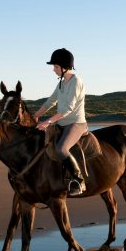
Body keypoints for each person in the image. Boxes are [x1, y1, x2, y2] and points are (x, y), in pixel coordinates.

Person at [34, 48, 87, 196]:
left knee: (61, 149)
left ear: (64, 67)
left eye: (56, 67)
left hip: (76, 123)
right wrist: (36, 116)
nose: (53, 70)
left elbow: (68, 109)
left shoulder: (76, 81)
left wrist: (48, 122)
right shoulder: (61, 83)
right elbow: (50, 101)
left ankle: (78, 180)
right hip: (62, 123)